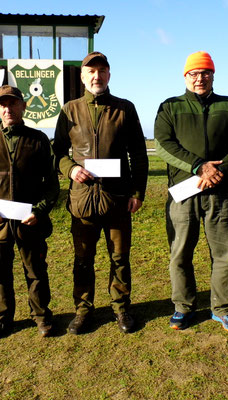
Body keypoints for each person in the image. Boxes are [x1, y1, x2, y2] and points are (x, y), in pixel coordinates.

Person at [154, 51, 228, 333]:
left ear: (213, 75)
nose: (199, 78)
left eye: (205, 73)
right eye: (193, 73)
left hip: (220, 194)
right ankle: (183, 307)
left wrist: (220, 172)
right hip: (183, 193)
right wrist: (199, 166)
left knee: (226, 254)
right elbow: (163, 144)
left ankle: (223, 309)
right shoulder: (169, 107)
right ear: (185, 76)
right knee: (180, 254)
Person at [53, 51, 149, 334]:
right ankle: (83, 311)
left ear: (109, 74)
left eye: (102, 71)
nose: (97, 76)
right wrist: (70, 169)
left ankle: (121, 308)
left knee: (119, 258)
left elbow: (139, 156)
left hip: (118, 200)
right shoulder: (69, 110)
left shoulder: (125, 109)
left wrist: (138, 192)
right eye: (91, 72)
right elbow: (57, 151)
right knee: (83, 260)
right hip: (82, 200)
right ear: (83, 77)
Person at [0, 85, 59, 339]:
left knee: (36, 272)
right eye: (3, 104)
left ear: (23, 106)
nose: (8, 108)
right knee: (0, 274)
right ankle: (2, 319)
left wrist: (39, 211)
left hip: (30, 222)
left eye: (13, 103)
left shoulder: (38, 140)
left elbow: (51, 185)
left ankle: (42, 317)